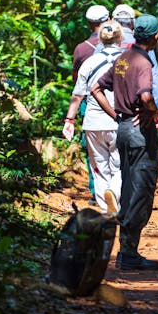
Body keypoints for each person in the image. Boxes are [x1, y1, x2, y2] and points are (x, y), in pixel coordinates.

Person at [90, 14, 158, 271]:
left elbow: (96, 88)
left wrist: (116, 115)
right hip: (139, 132)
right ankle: (129, 253)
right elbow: (145, 95)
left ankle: (126, 252)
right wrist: (153, 111)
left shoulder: (122, 58)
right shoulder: (143, 63)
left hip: (123, 129)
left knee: (130, 186)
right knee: (141, 191)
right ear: (155, 37)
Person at [62, 21, 124, 216]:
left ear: (99, 39)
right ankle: (114, 192)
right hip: (119, 120)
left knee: (98, 167)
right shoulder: (125, 60)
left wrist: (69, 120)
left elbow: (77, 95)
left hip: (93, 122)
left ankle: (107, 212)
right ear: (120, 38)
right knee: (120, 164)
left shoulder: (89, 62)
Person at [72, 4, 109, 205]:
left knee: (92, 148)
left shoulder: (81, 48)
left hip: (89, 101)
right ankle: (115, 188)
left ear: (88, 23)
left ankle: (97, 192)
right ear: (108, 19)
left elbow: (76, 80)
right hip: (114, 102)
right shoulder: (118, 45)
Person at [111, 4, 158, 126]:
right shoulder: (143, 45)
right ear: (133, 23)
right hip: (136, 113)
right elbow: (154, 76)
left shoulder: (103, 43)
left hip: (106, 111)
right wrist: (157, 110)